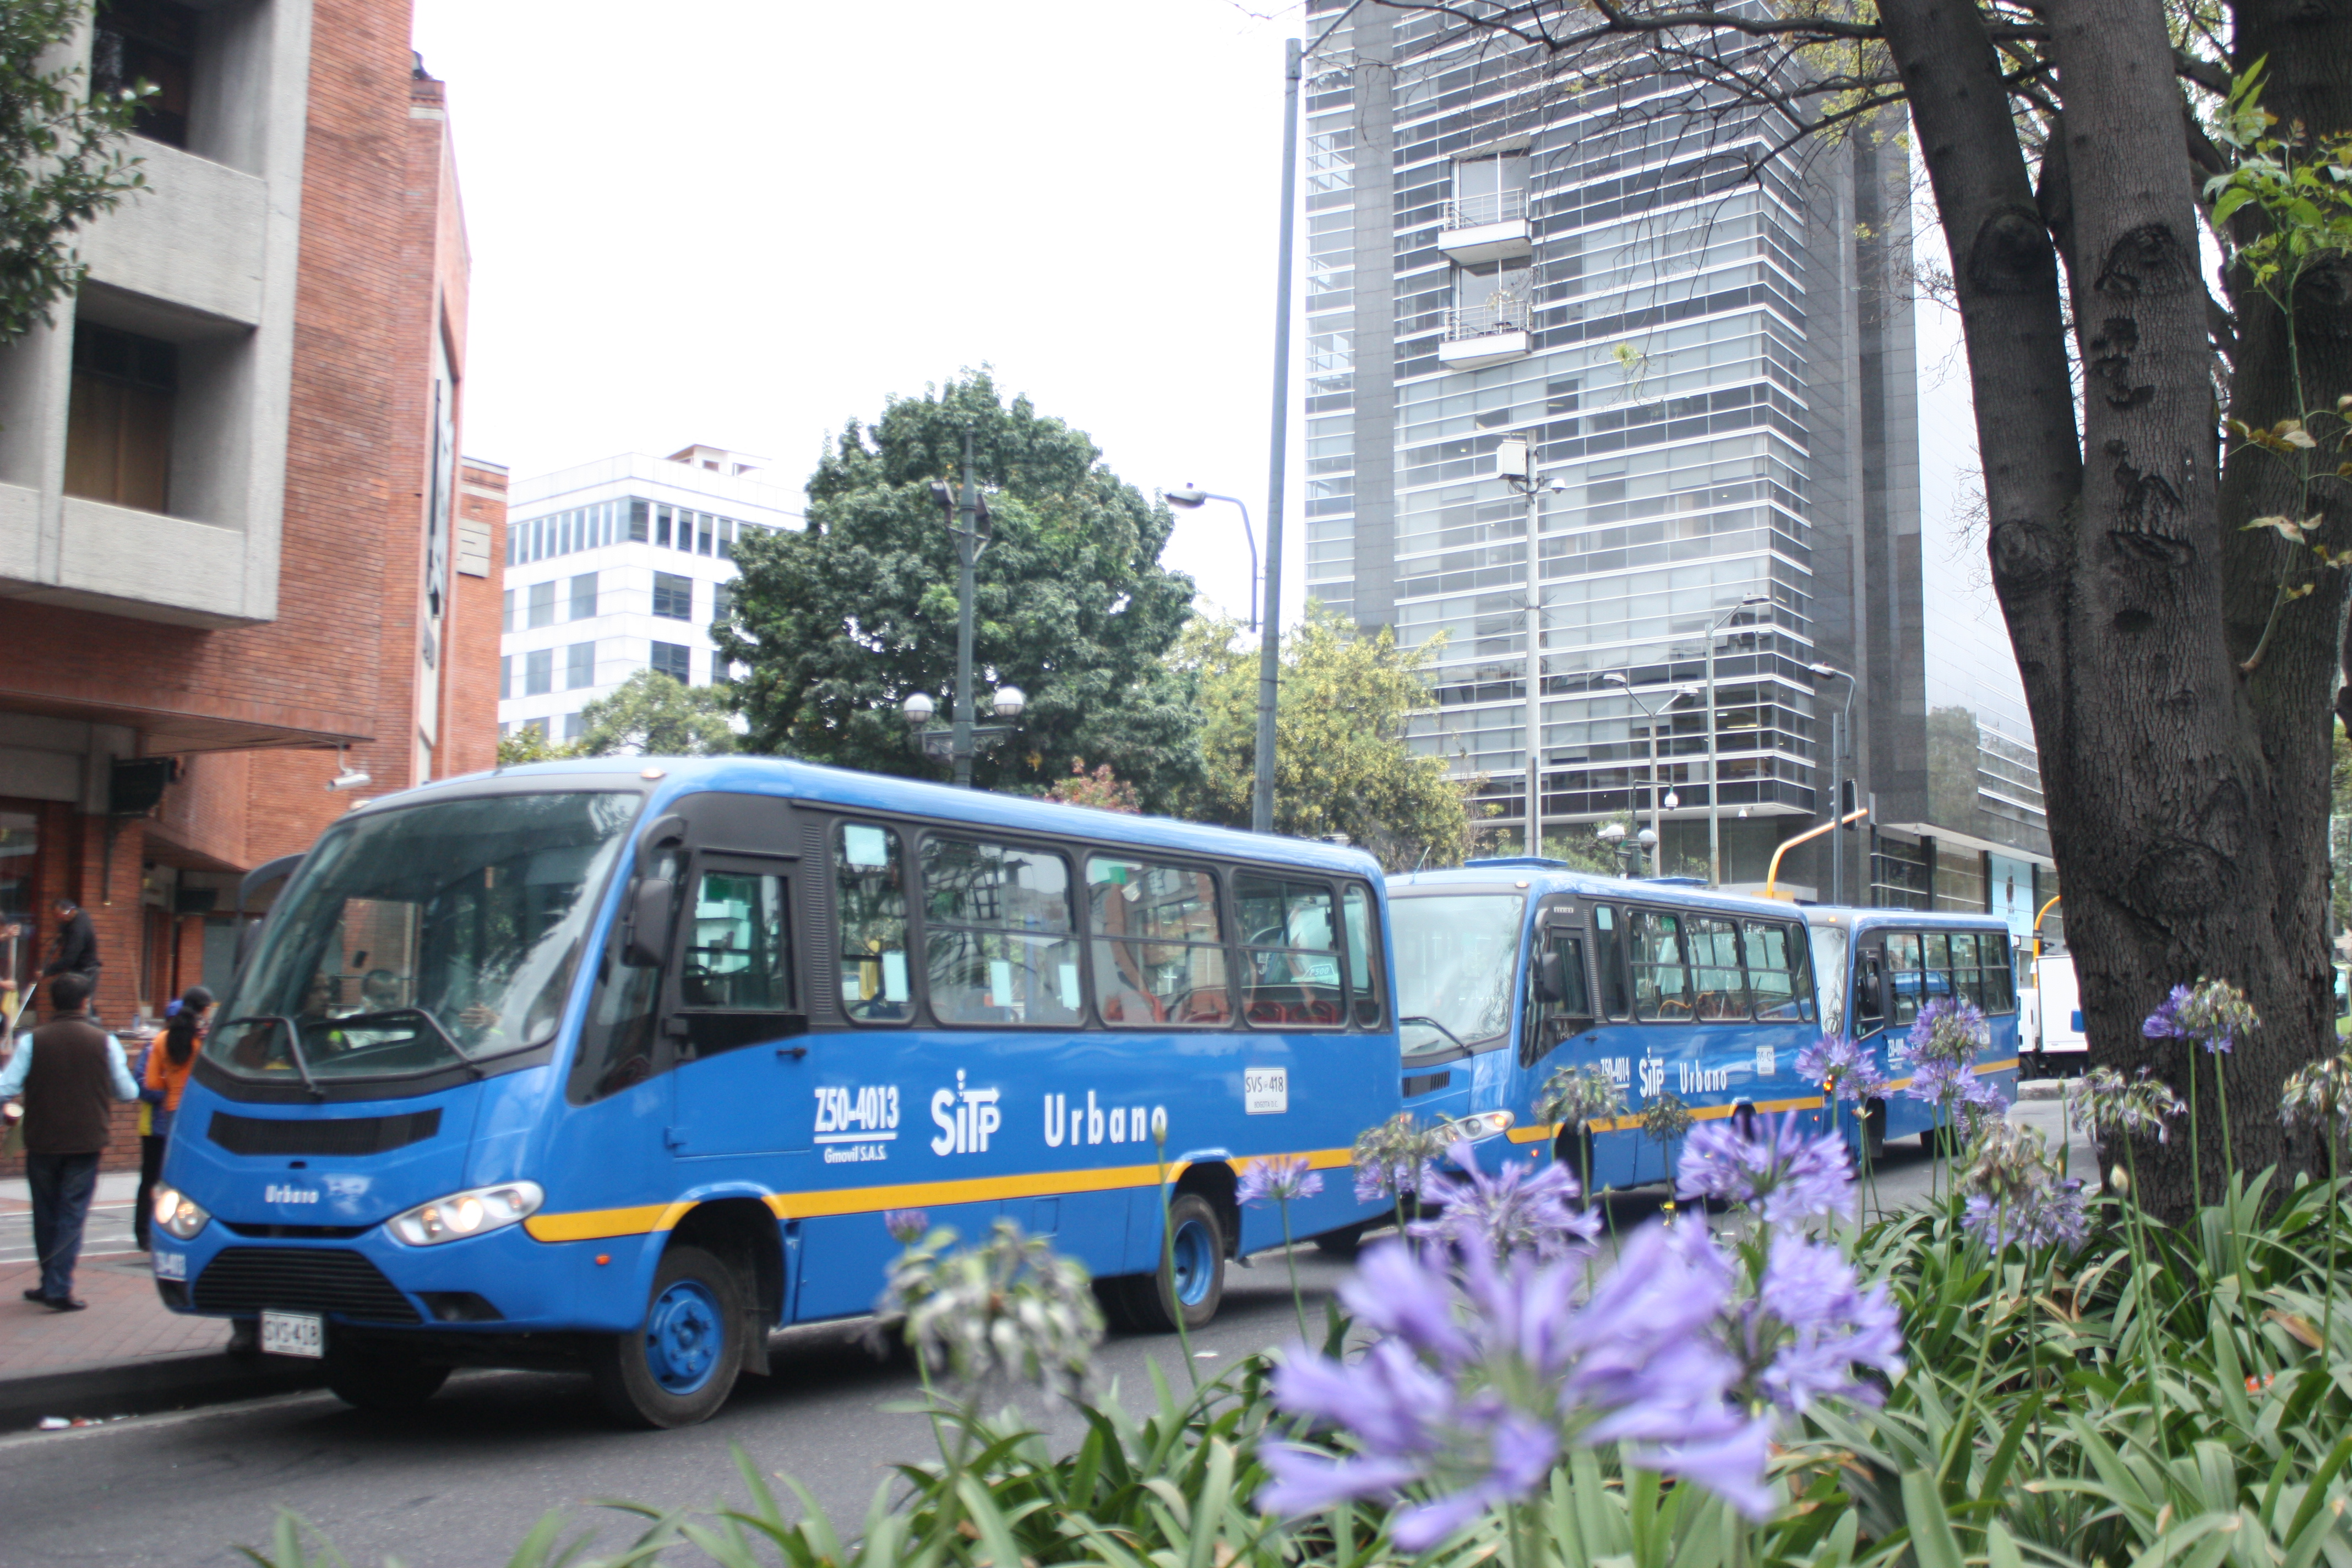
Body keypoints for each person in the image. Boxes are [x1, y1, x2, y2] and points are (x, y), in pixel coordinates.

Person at [0, 972, 138, 1310]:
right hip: (86, 1142)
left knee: (45, 1214)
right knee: (71, 1215)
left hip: (42, 1140)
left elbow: (6, 1086)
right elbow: (128, 1092)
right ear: (84, 1002)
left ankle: (50, 1282)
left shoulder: (33, 1040)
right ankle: (58, 1287)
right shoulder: (105, 1042)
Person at [133, 986, 211, 1250]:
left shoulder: (158, 1043)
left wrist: (170, 1083)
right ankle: (180, 1231)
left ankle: (147, 1233)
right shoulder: (202, 1045)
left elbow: (150, 1083)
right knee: (186, 1179)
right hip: (195, 1117)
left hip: (164, 1117)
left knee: (154, 1179)